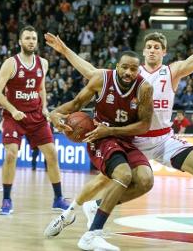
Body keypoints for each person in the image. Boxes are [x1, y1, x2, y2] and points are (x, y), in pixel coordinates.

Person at [43, 3, 193, 243]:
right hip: (132, 138)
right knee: (105, 179)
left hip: (162, 138)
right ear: (143, 52)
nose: (151, 51)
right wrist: (65, 50)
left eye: (157, 48)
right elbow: (90, 71)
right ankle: (72, 211)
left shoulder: (172, 72)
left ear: (164, 52)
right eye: (148, 47)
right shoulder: (131, 74)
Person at [44, 51, 154, 251]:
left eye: (133, 69)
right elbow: (77, 104)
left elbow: (144, 125)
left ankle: (93, 206)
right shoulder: (101, 80)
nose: (129, 72)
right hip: (99, 137)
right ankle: (92, 234)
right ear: (116, 66)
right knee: (123, 174)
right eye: (125, 67)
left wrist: (111, 130)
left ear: (138, 70)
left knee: (146, 181)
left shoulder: (144, 88)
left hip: (123, 138)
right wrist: (55, 113)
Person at [0, 25, 69, 215]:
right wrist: (12, 109)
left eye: (34, 38)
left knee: (52, 154)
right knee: (11, 155)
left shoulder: (43, 63)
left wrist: (44, 107)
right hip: (14, 116)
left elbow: (41, 87)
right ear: (20, 41)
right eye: (27, 38)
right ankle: (7, 199)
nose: (31, 41)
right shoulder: (11, 63)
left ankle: (58, 198)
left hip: (36, 115)